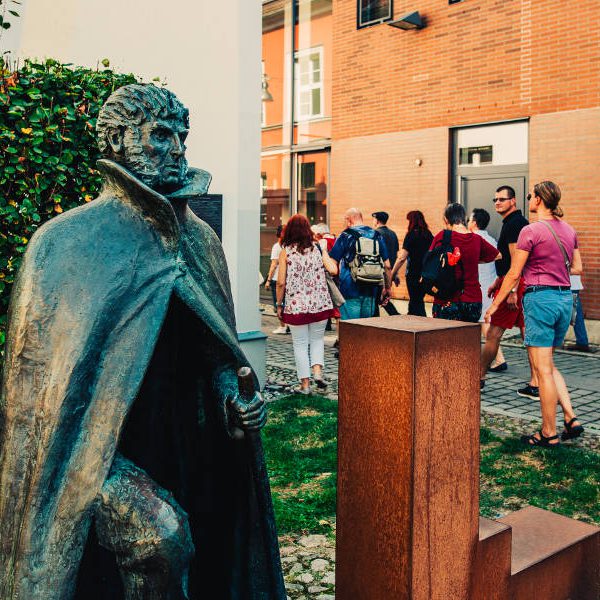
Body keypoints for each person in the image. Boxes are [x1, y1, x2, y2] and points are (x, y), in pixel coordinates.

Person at [0, 84, 281, 599]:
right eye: (159, 136)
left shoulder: (197, 239)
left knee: (198, 541)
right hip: (94, 454)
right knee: (160, 538)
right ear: (117, 141)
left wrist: (231, 400)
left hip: (179, 438)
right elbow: (38, 399)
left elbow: (214, 351)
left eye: (182, 136)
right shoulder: (65, 244)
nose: (176, 150)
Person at [485, 181, 585, 447]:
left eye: (531, 196)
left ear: (539, 200)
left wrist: (495, 305)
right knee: (548, 366)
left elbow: (514, 273)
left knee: (542, 371)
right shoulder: (569, 230)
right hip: (565, 298)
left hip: (541, 299)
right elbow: (577, 267)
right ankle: (570, 417)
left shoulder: (531, 231)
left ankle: (548, 433)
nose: (529, 199)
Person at [480, 185, 538, 397]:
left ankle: (479, 377)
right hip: (518, 283)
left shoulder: (514, 225)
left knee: (494, 332)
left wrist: (511, 289)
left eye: (502, 199)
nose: (497, 202)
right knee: (528, 335)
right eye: (495, 199)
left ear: (513, 201)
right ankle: (536, 383)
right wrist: (498, 280)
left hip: (516, 285)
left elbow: (516, 261)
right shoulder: (515, 223)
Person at [277, 214, 338, 394]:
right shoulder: (318, 248)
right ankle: (317, 372)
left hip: (296, 306)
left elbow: (280, 282)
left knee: (300, 344)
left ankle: (305, 385)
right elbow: (333, 270)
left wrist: (279, 304)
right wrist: (324, 251)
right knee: (317, 340)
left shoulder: (286, 251)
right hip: (320, 304)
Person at [429, 203, 500, 323]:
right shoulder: (476, 239)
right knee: (468, 338)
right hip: (473, 301)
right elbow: (498, 255)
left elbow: (430, 261)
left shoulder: (443, 236)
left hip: (447, 300)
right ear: (463, 218)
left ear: (446, 219)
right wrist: (472, 259)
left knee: (444, 339)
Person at [327, 208, 392, 320]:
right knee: (366, 331)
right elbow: (387, 265)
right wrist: (387, 288)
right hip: (371, 290)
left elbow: (332, 265)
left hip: (349, 290)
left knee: (350, 331)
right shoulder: (376, 235)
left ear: (348, 220)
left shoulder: (345, 236)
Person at [468, 208, 507, 371]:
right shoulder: (492, 239)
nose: (467, 222)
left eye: (469, 220)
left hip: (480, 287)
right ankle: (491, 358)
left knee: (484, 324)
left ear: (474, 223)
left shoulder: (473, 240)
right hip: (490, 285)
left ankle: (499, 359)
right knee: (484, 323)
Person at [391, 210, 434, 316]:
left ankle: (420, 325)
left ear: (412, 221)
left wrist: (392, 273)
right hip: (426, 275)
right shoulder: (428, 235)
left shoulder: (411, 235)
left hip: (413, 275)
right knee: (417, 301)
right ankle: (413, 321)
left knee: (416, 302)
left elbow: (401, 258)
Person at [265, 223, 289, 334]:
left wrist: (268, 280)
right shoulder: (290, 245)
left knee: (278, 302)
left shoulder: (277, 246)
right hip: (289, 278)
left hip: (277, 278)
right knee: (287, 302)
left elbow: (274, 264)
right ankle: (288, 325)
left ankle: (283, 326)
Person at [564, 274, 591, 352]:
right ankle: (582, 341)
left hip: (569, 285)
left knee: (576, 315)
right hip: (570, 284)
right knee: (576, 314)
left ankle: (582, 342)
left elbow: (577, 269)